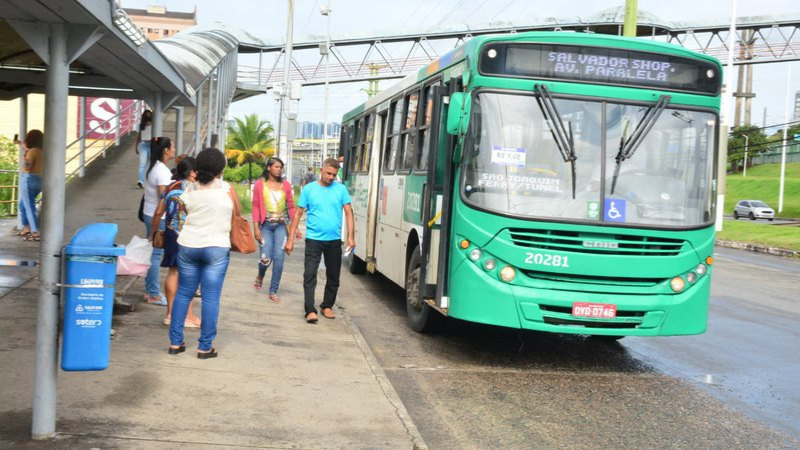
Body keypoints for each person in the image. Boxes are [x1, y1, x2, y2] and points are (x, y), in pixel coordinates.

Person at [168, 147, 234, 359]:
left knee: (184, 293)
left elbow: (186, 212)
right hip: (216, 247)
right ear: (220, 168)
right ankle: (205, 347)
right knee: (211, 297)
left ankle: (176, 343)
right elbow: (237, 214)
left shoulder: (189, 189)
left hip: (189, 245)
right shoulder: (227, 188)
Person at [285, 158, 355, 323]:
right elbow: (298, 214)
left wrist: (351, 237)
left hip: (334, 240)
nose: (331, 177)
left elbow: (349, 213)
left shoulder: (341, 189)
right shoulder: (309, 190)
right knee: (310, 274)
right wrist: (290, 239)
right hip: (313, 239)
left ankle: (327, 305)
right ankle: (310, 310)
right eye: (329, 173)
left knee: (334, 276)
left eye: (334, 174)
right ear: (321, 170)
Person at [149, 156, 201, 328]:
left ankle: (170, 314)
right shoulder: (195, 189)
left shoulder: (170, 187)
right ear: (192, 172)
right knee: (190, 274)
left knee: (173, 272)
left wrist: (153, 233)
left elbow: (158, 212)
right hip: (190, 235)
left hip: (172, 233)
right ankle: (189, 316)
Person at [143, 137, 176, 305]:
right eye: (173, 146)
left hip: (150, 213)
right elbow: (164, 199)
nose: (174, 149)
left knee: (152, 253)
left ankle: (149, 290)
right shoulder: (162, 171)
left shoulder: (152, 167)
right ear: (166, 150)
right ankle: (154, 293)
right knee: (155, 255)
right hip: (159, 216)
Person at [15, 130, 43, 242]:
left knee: (29, 207)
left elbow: (26, 167)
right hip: (40, 181)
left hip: (29, 180)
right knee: (23, 205)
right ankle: (26, 228)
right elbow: (29, 150)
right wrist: (20, 144)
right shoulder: (42, 151)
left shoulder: (32, 151)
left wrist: (24, 156)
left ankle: (36, 232)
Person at [135, 110, 153, 188]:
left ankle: (146, 180)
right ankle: (141, 180)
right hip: (143, 144)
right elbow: (139, 136)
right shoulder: (141, 126)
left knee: (149, 164)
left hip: (151, 145)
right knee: (143, 164)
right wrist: (136, 147)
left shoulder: (154, 125)